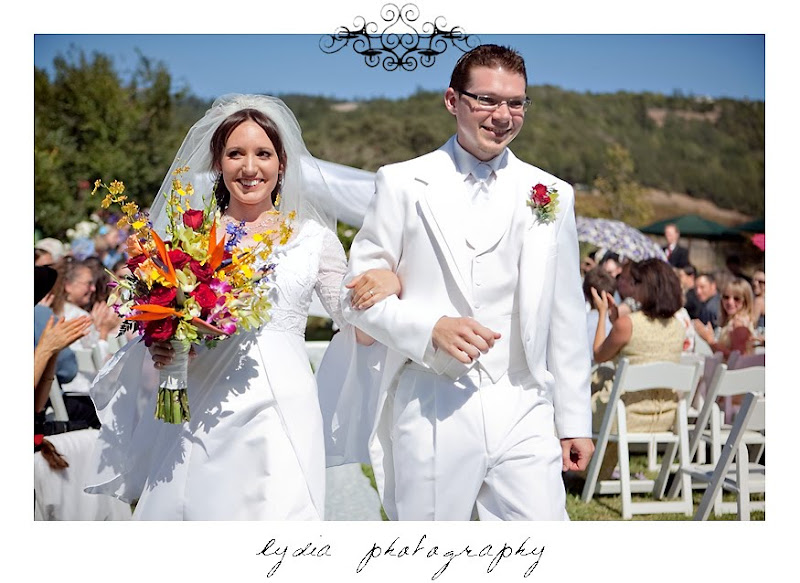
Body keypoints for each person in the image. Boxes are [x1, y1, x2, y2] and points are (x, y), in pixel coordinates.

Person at [84, 94, 399, 520]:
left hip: (283, 406)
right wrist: (165, 347)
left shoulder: (314, 239)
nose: (250, 168)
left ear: (282, 162)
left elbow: (355, 322)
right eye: (236, 153)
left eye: (263, 154)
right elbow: (160, 323)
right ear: (218, 161)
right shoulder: (185, 239)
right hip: (199, 404)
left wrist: (390, 281)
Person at [342, 44, 594, 521]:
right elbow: (356, 296)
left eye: (516, 103)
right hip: (433, 398)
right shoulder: (401, 183)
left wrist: (574, 419)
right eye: (487, 100)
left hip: (523, 402)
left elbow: (565, 316)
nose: (503, 116)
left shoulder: (552, 195)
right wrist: (428, 327)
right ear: (452, 100)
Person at [589, 258, 687, 479]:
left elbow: (598, 354)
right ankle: (596, 471)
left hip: (625, 415)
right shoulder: (678, 327)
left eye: (636, 282)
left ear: (648, 286)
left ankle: (584, 470)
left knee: (589, 391)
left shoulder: (629, 324)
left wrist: (603, 314)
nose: (632, 287)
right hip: (663, 416)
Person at [694, 277, 756, 359]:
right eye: (726, 297)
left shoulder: (739, 323)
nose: (730, 302)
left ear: (746, 301)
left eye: (737, 299)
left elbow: (737, 358)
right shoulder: (733, 321)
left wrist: (711, 341)